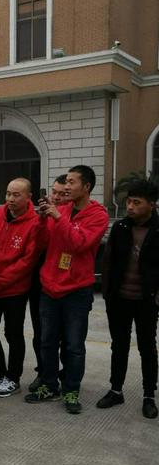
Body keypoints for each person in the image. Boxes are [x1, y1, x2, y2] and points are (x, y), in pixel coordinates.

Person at [26, 165, 109, 414]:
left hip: (76, 291)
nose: (67, 186)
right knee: (47, 341)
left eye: (72, 182)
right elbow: (40, 244)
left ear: (87, 187)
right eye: (66, 182)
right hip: (50, 287)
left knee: (74, 345)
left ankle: (71, 389)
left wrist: (58, 218)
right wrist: (41, 221)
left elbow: (78, 243)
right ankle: (49, 384)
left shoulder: (98, 215)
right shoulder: (59, 210)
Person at [98, 179, 159, 419]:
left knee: (147, 348)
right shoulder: (121, 227)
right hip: (120, 299)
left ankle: (149, 396)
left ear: (151, 205)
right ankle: (116, 390)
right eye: (129, 202)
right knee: (119, 346)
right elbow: (109, 261)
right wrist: (108, 294)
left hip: (146, 300)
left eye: (137, 202)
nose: (130, 207)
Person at [0, 178, 40, 397]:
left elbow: (28, 261)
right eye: (8, 194)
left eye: (16, 195)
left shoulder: (35, 223)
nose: (11, 199)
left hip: (15, 290)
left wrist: (0, 282)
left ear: (28, 197)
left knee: (13, 334)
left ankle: (13, 378)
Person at [28, 174, 70, 392]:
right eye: (54, 192)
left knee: (67, 337)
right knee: (41, 334)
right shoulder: (43, 217)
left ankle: (65, 376)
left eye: (63, 193)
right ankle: (44, 372)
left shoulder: (73, 219)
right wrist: (43, 219)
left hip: (67, 285)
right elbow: (35, 244)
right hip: (40, 282)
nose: (57, 197)